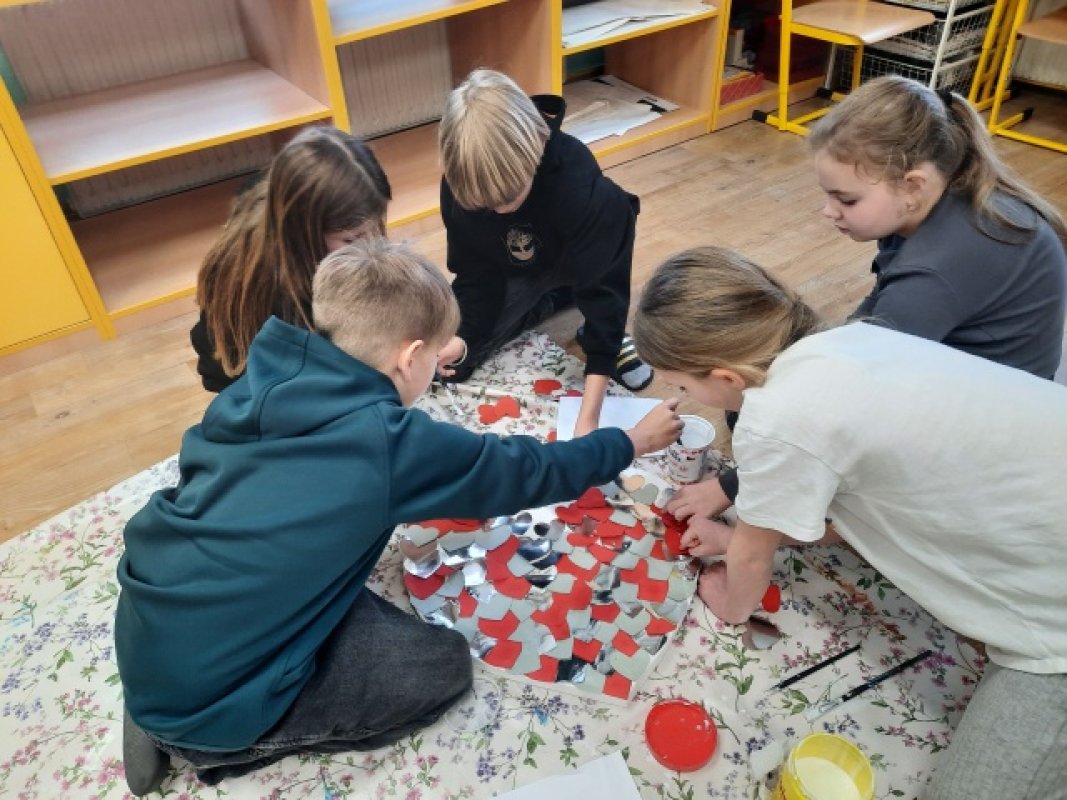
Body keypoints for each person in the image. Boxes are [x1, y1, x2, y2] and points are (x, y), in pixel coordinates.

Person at [117, 239, 682, 794]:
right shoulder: (389, 444)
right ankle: (209, 747)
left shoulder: (264, 375)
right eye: (432, 358)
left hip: (154, 620)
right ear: (409, 359)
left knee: (327, 588)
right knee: (443, 668)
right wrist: (629, 441)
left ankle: (163, 702)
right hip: (218, 698)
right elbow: (524, 470)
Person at [632, 245, 1067, 799]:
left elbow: (751, 564)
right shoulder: (855, 337)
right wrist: (736, 533)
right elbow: (868, 505)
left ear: (725, 376)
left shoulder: (775, 418)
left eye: (682, 387)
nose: (680, 397)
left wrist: (732, 601)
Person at [669, 75, 1067, 524]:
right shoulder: (936, 199)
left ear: (913, 185)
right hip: (987, 375)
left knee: (774, 418)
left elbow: (852, 392)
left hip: (990, 432)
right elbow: (880, 307)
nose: (828, 211)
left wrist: (731, 486)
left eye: (846, 199)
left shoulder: (937, 269)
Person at [436, 69, 653, 437]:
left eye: (508, 198)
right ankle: (552, 299)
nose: (498, 210)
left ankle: (601, 332)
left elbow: (605, 289)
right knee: (456, 364)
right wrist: (464, 336)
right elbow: (474, 272)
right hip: (515, 263)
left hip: (579, 256)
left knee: (599, 310)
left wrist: (589, 416)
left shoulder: (580, 191)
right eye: (485, 205)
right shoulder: (463, 183)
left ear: (536, 147)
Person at [190, 124, 392, 392]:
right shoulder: (262, 287)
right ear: (302, 233)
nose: (371, 245)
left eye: (375, 226)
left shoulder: (301, 222)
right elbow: (226, 376)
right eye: (351, 239)